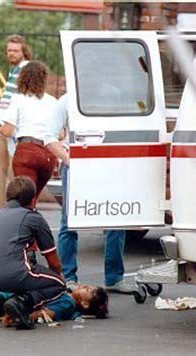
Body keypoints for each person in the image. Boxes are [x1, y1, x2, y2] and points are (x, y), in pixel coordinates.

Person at [46, 93, 130, 293]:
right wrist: (68, 160)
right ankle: (68, 277)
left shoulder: (113, 95)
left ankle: (114, 277)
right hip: (78, 165)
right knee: (70, 221)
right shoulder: (67, 99)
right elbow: (48, 137)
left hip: (107, 163)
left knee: (116, 217)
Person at [0, 176, 66, 328]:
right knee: (59, 284)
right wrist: (58, 278)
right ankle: (21, 303)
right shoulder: (33, 218)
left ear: (7, 197)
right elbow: (53, 261)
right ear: (33, 199)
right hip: (11, 275)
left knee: (16, 269)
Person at [0, 61, 58, 205]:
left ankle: (23, 225)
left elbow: (7, 130)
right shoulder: (53, 101)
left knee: (24, 200)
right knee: (33, 198)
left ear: (22, 77)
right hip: (49, 153)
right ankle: (32, 223)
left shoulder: (18, 99)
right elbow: (60, 134)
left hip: (27, 150)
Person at [0, 35, 31, 212]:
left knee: (13, 171)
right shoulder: (14, 70)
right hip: (3, 124)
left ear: (23, 51)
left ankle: (13, 212)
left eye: (15, 50)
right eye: (9, 50)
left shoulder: (26, 68)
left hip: (16, 127)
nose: (11, 54)